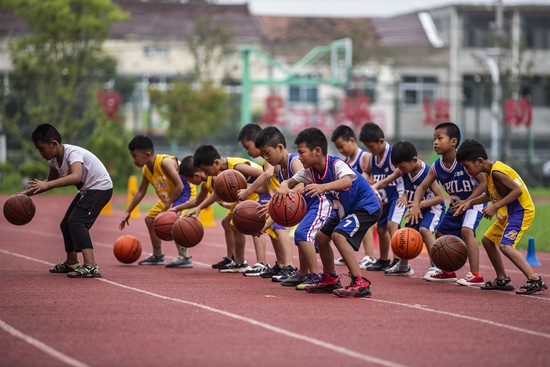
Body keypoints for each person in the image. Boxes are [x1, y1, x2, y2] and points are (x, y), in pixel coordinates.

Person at [274, 127, 381, 298]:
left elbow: (347, 181)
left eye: (302, 152)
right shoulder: (309, 171)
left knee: (339, 236)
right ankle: (330, 278)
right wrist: (283, 187)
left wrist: (323, 187)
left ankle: (360, 282)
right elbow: (290, 181)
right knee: (321, 238)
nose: (299, 157)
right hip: (344, 210)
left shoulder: (336, 164)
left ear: (317, 151)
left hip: (366, 207)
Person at [455, 139, 547, 295]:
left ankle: (535, 279)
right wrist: (468, 202)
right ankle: (502, 278)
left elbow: (516, 191)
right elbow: (489, 196)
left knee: (505, 246)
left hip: (521, 211)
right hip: (509, 212)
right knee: (487, 241)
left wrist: (495, 207)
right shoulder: (489, 173)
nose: (466, 170)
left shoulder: (497, 172)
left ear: (479, 161)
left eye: (467, 166)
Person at [23, 123, 112, 278]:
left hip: (100, 188)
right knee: (66, 224)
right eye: (38, 149)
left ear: (54, 144)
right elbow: (47, 184)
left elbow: (76, 176)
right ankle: (71, 262)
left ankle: (91, 266)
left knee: (77, 221)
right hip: (88, 190)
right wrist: (23, 194)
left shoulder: (73, 153)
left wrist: (48, 184)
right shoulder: (53, 160)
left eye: (42, 148)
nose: (40, 153)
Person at [255, 126, 332, 289]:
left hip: (319, 202)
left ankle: (315, 275)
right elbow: (286, 201)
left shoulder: (295, 161)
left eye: (267, 153)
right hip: (307, 206)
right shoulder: (281, 171)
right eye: (262, 155)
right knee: (300, 236)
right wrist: (268, 223)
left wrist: (277, 199)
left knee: (302, 234)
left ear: (280, 147)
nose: (265, 158)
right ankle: (303, 274)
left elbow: (301, 187)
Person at [410, 122, 487, 285]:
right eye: (434, 139)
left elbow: (483, 183)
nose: (435, 142)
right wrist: (416, 204)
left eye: (440, 138)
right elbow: (422, 187)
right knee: (440, 234)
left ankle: (476, 275)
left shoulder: (465, 161)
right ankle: (447, 271)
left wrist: (469, 201)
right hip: (456, 205)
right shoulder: (437, 166)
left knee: (466, 231)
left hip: (474, 202)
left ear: (453, 142)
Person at [188, 144, 267, 273]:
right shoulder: (218, 174)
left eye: (206, 170)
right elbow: (217, 193)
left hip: (260, 192)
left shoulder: (236, 166)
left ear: (216, 162)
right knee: (226, 222)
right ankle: (237, 261)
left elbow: (263, 175)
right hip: (246, 195)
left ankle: (261, 263)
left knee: (253, 223)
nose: (205, 174)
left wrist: (248, 188)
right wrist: (200, 207)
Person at [119, 135, 196, 268]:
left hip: (184, 193)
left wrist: (167, 207)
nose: (133, 160)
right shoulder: (146, 169)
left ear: (147, 154)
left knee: (173, 219)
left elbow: (180, 186)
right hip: (170, 197)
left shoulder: (164, 162)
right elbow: (140, 192)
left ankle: (184, 257)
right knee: (150, 219)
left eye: (135, 156)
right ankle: (157, 255)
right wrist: (128, 211)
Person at [372, 140, 445, 277]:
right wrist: (373, 188)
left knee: (424, 230)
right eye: (398, 167)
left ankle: (436, 265)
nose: (400, 170)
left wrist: (419, 205)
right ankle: (404, 266)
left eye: (402, 167)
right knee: (405, 234)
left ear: (414, 160)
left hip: (433, 208)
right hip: (416, 209)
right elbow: (387, 181)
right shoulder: (403, 170)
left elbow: (440, 198)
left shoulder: (427, 172)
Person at [236, 123, 295, 279]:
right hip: (276, 198)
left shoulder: (270, 158)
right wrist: (246, 187)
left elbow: (267, 175)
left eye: (248, 146)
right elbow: (264, 186)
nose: (247, 151)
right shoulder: (268, 158)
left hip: (284, 198)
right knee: (273, 230)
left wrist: (248, 191)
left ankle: (290, 266)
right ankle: (282, 264)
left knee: (279, 229)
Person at [174, 156, 236, 269]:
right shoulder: (205, 183)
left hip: (245, 200)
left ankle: (247, 261)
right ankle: (232, 258)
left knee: (241, 225)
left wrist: (200, 208)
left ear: (196, 175)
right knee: (227, 223)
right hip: (236, 205)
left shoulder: (214, 178)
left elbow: (215, 194)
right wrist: (176, 208)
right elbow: (197, 201)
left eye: (189, 180)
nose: (189, 183)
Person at [359, 122, 405, 271]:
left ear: (381, 141)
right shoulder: (373, 157)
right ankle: (384, 260)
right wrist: (364, 178)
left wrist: (405, 194)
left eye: (372, 146)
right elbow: (366, 171)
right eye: (367, 147)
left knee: (392, 225)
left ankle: (398, 260)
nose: (370, 150)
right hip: (384, 200)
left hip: (397, 196)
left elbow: (405, 173)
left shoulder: (393, 154)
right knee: (380, 229)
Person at [330, 125, 377, 269]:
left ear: (352, 140)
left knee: (366, 226)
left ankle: (370, 256)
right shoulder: (345, 162)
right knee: (346, 224)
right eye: (338, 148)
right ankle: (349, 254)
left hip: (368, 198)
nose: (341, 150)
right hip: (353, 201)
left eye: (342, 146)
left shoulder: (365, 157)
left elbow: (372, 176)